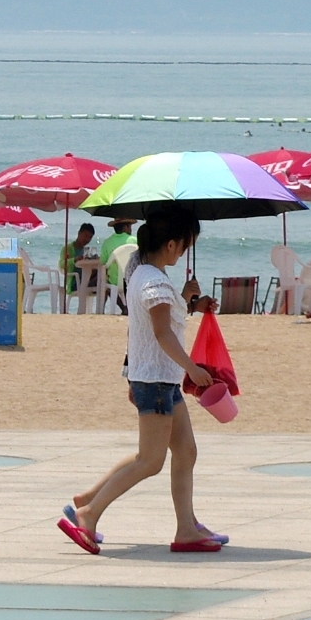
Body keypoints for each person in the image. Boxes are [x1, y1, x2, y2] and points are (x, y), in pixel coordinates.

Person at [58, 215, 224, 556]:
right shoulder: (154, 283)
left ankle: (185, 528)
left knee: (185, 451)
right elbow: (162, 333)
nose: (183, 253)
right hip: (156, 379)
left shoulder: (142, 272)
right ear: (171, 245)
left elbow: (155, 324)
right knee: (150, 460)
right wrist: (192, 367)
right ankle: (88, 515)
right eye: (185, 245)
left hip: (157, 377)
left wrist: (189, 301)